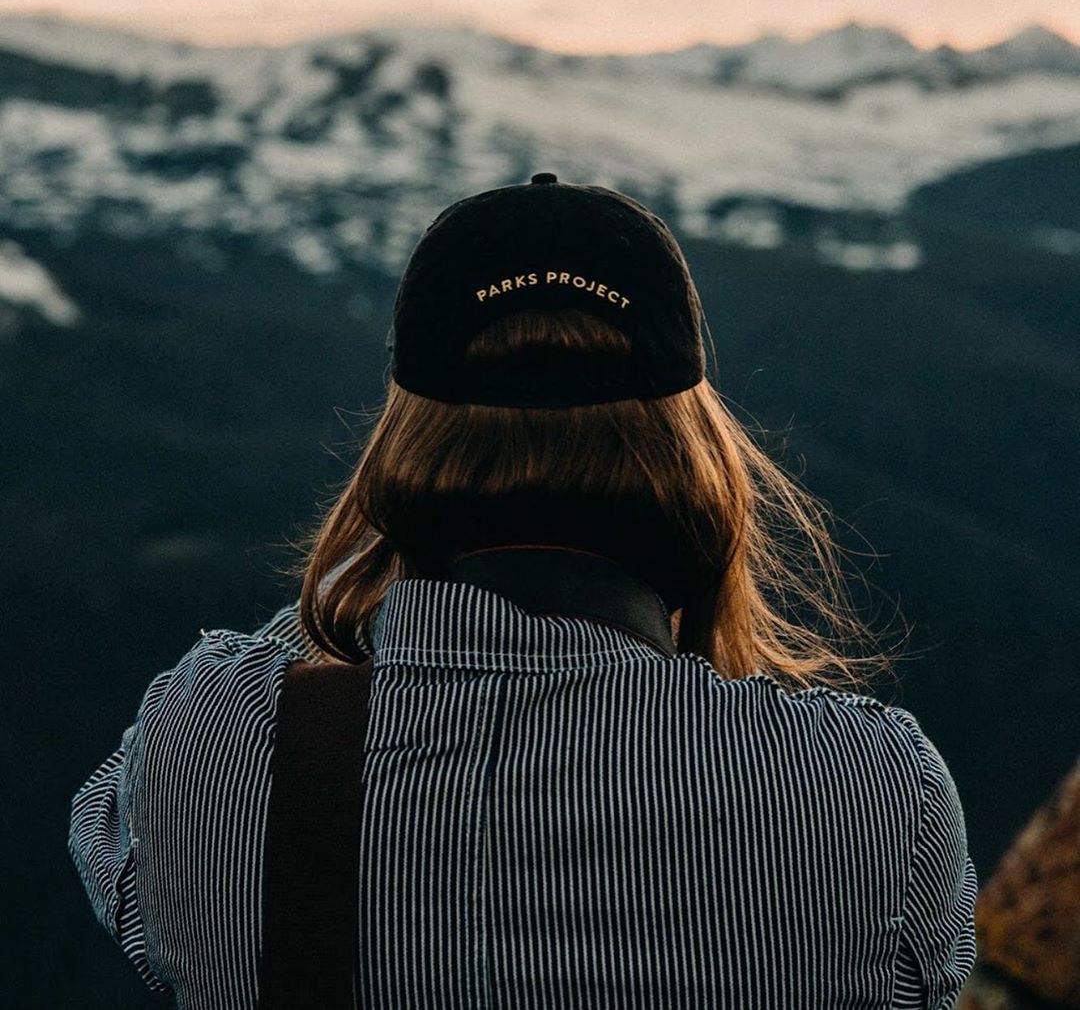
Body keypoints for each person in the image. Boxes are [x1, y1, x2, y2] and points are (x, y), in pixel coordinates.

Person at [69, 172, 978, 1009]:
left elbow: (111, 846)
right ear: (695, 455)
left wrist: (387, 561)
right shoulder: (872, 788)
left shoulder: (214, 733)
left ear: (403, 450)